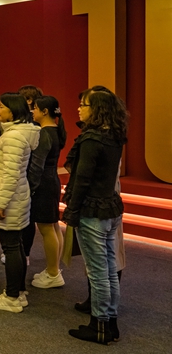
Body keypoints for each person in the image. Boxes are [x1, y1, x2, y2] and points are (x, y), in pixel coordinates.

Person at [64, 88, 128, 344]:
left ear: (97, 109)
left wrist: (71, 210)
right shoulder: (114, 135)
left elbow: (82, 178)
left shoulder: (91, 139)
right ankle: (110, 323)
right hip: (110, 207)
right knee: (110, 269)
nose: (79, 109)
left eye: (84, 104)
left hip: (92, 209)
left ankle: (99, 325)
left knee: (98, 271)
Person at [0, 93, 39, 312]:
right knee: (16, 246)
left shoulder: (13, 137)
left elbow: (10, 173)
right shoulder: (16, 133)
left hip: (10, 199)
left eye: (1, 106)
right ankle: (18, 292)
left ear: (13, 111)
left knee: (11, 247)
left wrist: (1, 203)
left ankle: (12, 296)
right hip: (16, 197)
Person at [28, 95, 67, 289]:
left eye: (35, 108)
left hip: (44, 184)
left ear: (45, 112)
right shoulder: (55, 131)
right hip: (52, 182)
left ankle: (53, 272)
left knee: (46, 228)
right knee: (53, 226)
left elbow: (37, 166)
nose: (32, 111)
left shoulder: (44, 133)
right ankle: (54, 269)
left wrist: (30, 188)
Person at [14, 84, 43, 265]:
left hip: (29, 175)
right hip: (28, 174)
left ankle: (24, 253)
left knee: (27, 218)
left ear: (29, 100)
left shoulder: (33, 125)